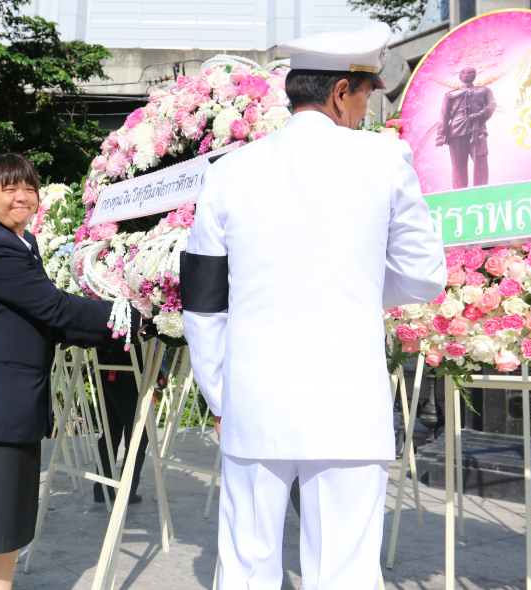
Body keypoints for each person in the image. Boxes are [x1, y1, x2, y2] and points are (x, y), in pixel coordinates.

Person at [180, 24, 446, 589]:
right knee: (345, 573)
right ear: (340, 92)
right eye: (366, 93)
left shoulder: (228, 171)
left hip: (253, 399)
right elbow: (424, 277)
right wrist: (353, 292)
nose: (365, 108)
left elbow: (202, 301)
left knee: (247, 567)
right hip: (347, 400)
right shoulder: (385, 158)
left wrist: (220, 391)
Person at [0, 153, 141, 590]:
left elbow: (49, 322)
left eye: (28, 187)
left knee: (7, 525)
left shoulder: (21, 244)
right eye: (9, 189)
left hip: (12, 411)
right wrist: (121, 315)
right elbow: (53, 306)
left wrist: (118, 327)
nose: (22, 196)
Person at [91, 343, 165, 505]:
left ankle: (103, 489)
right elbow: (137, 346)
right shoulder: (133, 317)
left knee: (111, 432)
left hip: (105, 372)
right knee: (138, 435)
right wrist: (158, 373)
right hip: (128, 375)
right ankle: (127, 491)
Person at [436, 67, 496, 189]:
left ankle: (481, 191)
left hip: (478, 129)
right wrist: (440, 135)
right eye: (468, 72)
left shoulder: (484, 91)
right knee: (458, 166)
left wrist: (482, 114)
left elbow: (491, 104)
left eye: (473, 72)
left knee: (481, 162)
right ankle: (460, 193)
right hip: (456, 131)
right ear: (461, 75)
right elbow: (444, 115)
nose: (472, 74)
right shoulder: (450, 95)